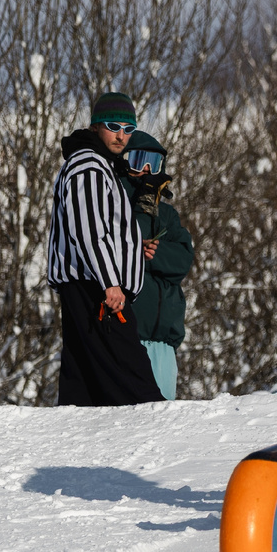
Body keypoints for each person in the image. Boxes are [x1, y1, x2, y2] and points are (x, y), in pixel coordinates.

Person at [47, 92, 166, 406]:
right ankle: (161, 432)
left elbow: (100, 227)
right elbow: (88, 230)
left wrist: (129, 250)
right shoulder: (88, 165)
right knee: (135, 381)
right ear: (96, 126)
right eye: (114, 126)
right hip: (98, 290)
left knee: (83, 385)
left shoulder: (100, 165)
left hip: (91, 286)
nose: (122, 136)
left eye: (129, 129)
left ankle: (80, 440)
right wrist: (110, 281)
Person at [121, 131, 195, 400]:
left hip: (164, 342)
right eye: (139, 160)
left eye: (153, 162)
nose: (147, 170)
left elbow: (184, 259)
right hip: (129, 338)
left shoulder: (167, 215)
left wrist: (158, 253)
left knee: (162, 421)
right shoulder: (118, 206)